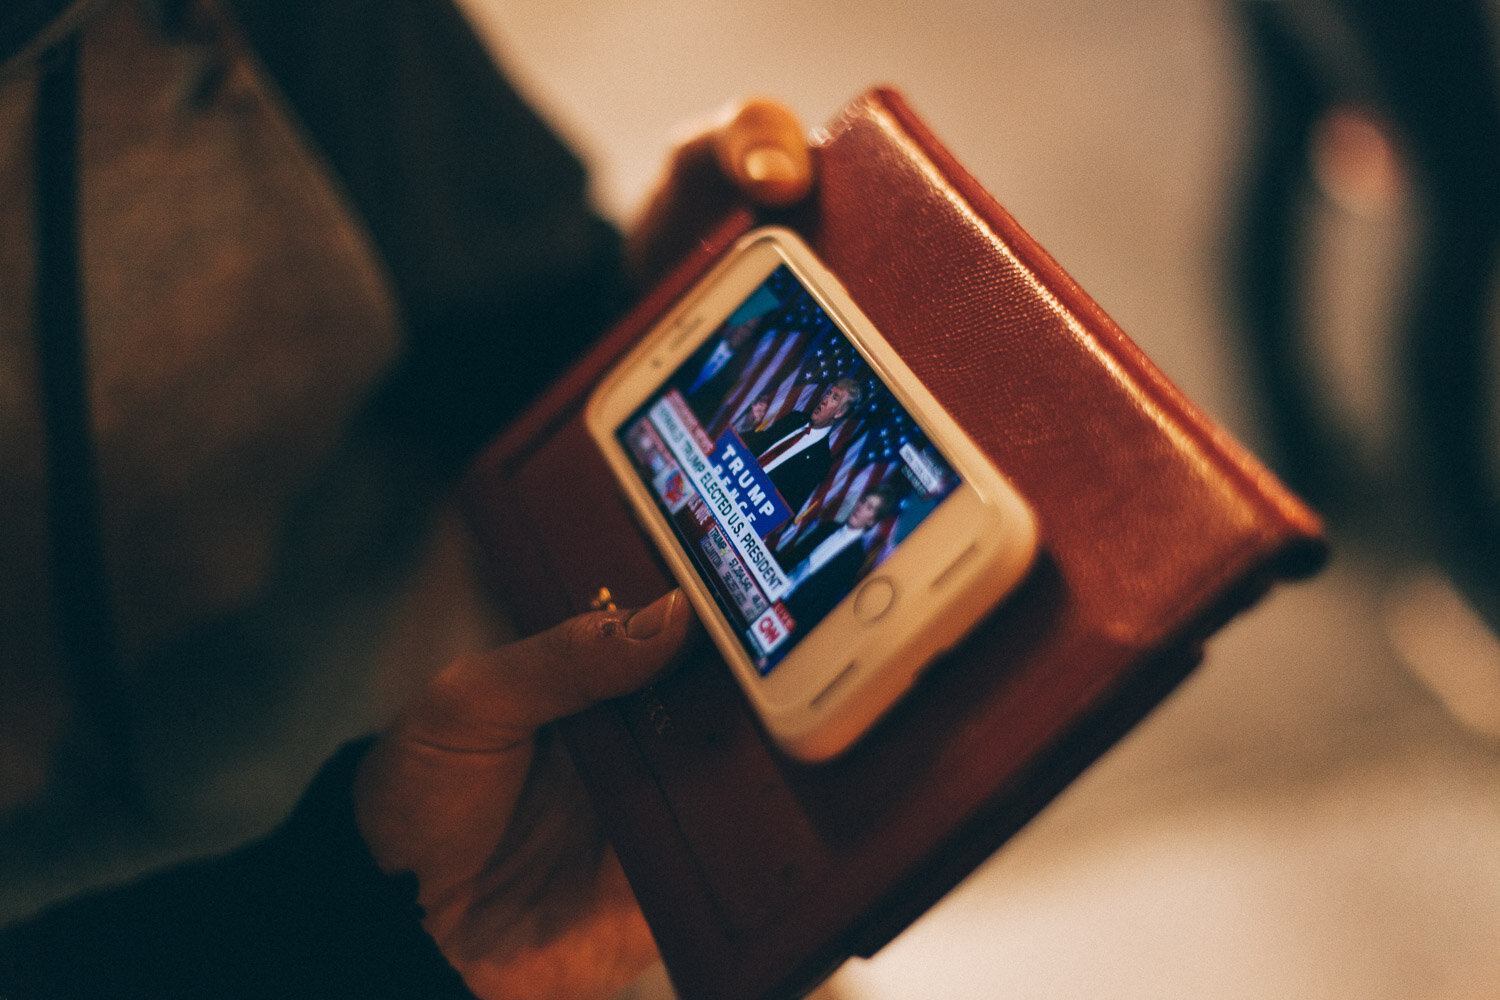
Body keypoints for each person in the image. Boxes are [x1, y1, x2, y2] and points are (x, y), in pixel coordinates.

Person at [0, 0, 815, 995]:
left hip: (536, 815)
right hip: (434, 894)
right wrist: (363, 929)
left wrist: (638, 337)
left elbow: (507, 326)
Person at [779, 487, 895, 629]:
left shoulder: (856, 558)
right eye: (863, 501)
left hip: (792, 614)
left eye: (869, 508)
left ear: (872, 521)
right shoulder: (828, 527)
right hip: (775, 589)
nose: (860, 507)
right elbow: (792, 557)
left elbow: (824, 602)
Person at [740, 378, 862, 513]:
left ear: (839, 413)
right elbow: (756, 444)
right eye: (828, 393)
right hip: (738, 478)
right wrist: (749, 424)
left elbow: (788, 508)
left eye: (834, 398)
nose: (825, 399)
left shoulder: (821, 461)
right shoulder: (794, 419)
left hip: (753, 508)